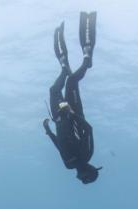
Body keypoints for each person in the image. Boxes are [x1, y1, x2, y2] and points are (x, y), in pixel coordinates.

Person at [43, 11, 102, 184]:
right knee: (71, 82)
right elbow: (88, 129)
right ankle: (86, 61)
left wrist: (49, 132)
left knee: (54, 89)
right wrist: (72, 113)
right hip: (73, 111)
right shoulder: (86, 154)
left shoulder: (69, 165)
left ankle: (64, 68)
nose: (80, 177)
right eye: (84, 179)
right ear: (87, 173)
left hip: (58, 117)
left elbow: (60, 147)